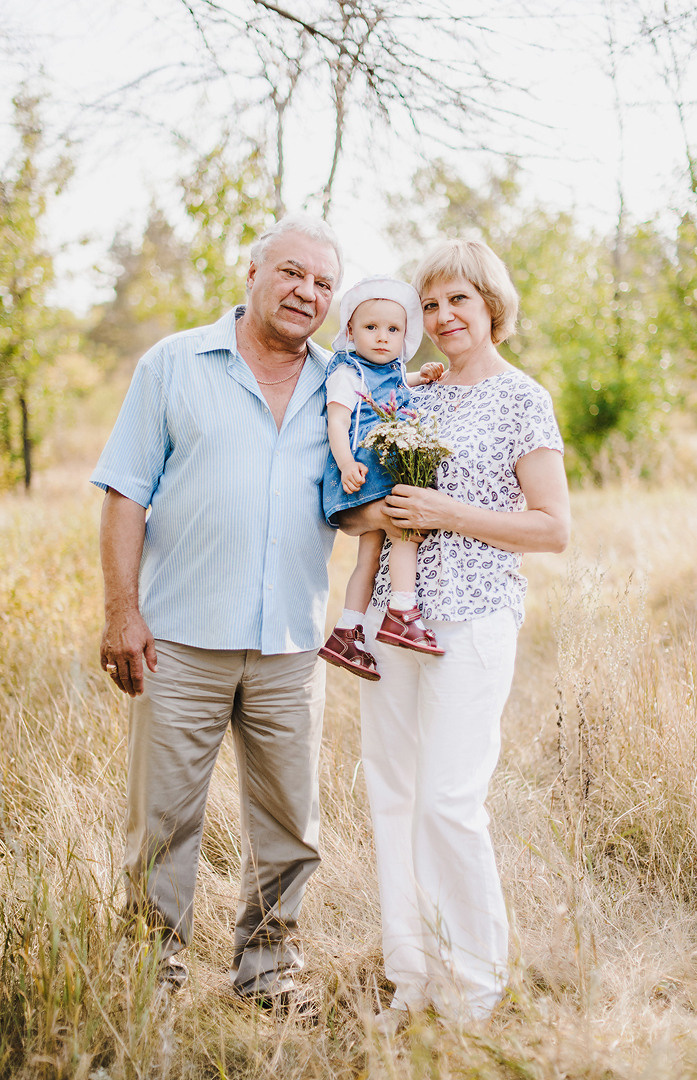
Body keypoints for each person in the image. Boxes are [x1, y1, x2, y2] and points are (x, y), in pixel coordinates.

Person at [90, 213, 342, 1012]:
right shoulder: (172, 364)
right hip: (181, 641)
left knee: (290, 828)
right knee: (161, 823)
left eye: (324, 283)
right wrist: (121, 610)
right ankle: (149, 979)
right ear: (253, 272)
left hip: (290, 647)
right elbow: (125, 490)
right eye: (292, 272)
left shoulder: (344, 384)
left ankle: (268, 973)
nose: (306, 292)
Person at [338, 239, 570, 1027]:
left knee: (447, 799)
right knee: (392, 793)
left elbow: (551, 529)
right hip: (388, 619)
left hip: (472, 618)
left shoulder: (522, 399)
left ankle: (473, 993)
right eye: (428, 306)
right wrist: (375, 513)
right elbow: (358, 498)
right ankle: (410, 981)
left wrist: (446, 515)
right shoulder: (409, 391)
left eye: (457, 301)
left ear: (490, 305)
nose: (441, 319)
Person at [319, 276, 445, 681]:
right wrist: (345, 464)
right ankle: (402, 611)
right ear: (350, 332)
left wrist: (419, 378)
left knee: (370, 558)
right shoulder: (346, 370)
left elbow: (392, 386)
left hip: (378, 472)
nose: (382, 338)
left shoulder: (391, 370)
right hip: (361, 472)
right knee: (404, 528)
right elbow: (337, 421)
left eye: (393, 330)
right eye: (371, 327)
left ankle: (347, 630)